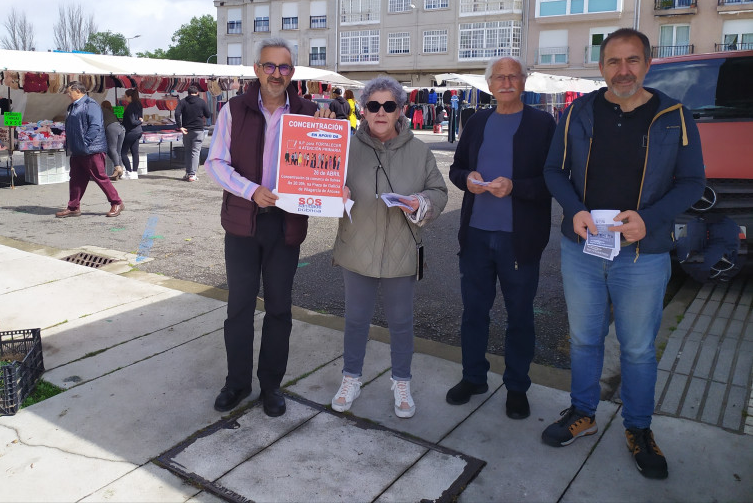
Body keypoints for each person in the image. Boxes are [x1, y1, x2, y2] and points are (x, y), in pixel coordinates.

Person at [542, 28, 704, 479]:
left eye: (632, 60)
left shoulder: (674, 115)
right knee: (584, 339)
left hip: (643, 253)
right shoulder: (579, 112)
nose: (623, 70)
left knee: (636, 349)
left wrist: (648, 220)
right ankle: (583, 413)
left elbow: (693, 182)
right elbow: (554, 170)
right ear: (601, 67)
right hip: (583, 248)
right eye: (614, 61)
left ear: (648, 64)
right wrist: (573, 210)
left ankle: (638, 427)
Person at [204, 38, 318, 418]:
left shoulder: (307, 112)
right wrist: (252, 191)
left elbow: (320, 165)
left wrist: (332, 185)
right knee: (238, 308)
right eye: (269, 66)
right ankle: (237, 382)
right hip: (243, 223)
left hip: (285, 225)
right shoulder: (233, 110)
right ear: (256, 69)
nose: (276, 74)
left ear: (292, 73)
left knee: (280, 310)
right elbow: (216, 162)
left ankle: (271, 385)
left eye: (283, 67)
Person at [328, 76, 448, 418]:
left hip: (401, 250)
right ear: (363, 111)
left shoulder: (420, 150)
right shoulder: (345, 147)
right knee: (355, 320)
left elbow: (440, 192)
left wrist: (420, 202)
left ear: (401, 110)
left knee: (401, 322)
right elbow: (320, 186)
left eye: (389, 106)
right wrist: (335, 196)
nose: (381, 112)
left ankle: (401, 381)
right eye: (373, 106)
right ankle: (351, 377)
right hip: (357, 247)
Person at [446, 57, 556, 420]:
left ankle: (516, 386)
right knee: (473, 313)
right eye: (499, 77)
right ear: (489, 84)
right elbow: (456, 169)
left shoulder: (542, 124)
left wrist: (515, 187)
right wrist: (469, 179)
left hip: (519, 240)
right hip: (476, 235)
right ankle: (474, 377)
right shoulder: (477, 120)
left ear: (524, 81)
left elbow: (553, 180)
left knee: (520, 316)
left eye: (513, 76)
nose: (506, 82)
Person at [55, 81, 124, 219]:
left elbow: (95, 126)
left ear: (78, 91)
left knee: (100, 177)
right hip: (77, 149)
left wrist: (85, 142)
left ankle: (117, 202)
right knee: (75, 178)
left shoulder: (90, 105)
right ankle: (73, 207)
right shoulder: (73, 106)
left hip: (92, 149)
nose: (68, 94)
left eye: (70, 92)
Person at [176, 84, 212, 182]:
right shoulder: (201, 102)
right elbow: (208, 115)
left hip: (186, 130)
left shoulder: (183, 102)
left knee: (187, 151)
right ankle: (192, 174)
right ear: (197, 93)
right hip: (198, 130)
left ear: (188, 93)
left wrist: (180, 127)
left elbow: (177, 113)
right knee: (195, 152)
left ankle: (188, 173)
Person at [120, 88, 144, 179]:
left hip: (131, 132)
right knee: (135, 152)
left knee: (123, 153)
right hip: (138, 131)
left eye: (126, 96)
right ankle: (134, 172)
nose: (125, 98)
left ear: (130, 96)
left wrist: (139, 121)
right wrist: (140, 121)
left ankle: (129, 171)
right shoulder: (139, 105)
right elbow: (139, 119)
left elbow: (133, 122)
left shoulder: (130, 107)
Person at [100, 100, 125, 181]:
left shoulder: (101, 111)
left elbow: (100, 124)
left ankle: (117, 167)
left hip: (112, 128)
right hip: (121, 128)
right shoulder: (111, 112)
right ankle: (120, 171)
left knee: (111, 149)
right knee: (118, 151)